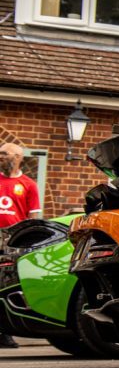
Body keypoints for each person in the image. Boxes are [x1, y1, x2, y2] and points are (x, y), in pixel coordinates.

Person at [0, 142, 41, 348]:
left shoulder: (28, 185)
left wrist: (30, 242)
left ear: (18, 158)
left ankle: (4, 332)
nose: (1, 156)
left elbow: (33, 218)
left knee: (7, 286)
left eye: (5, 154)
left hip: (12, 242)